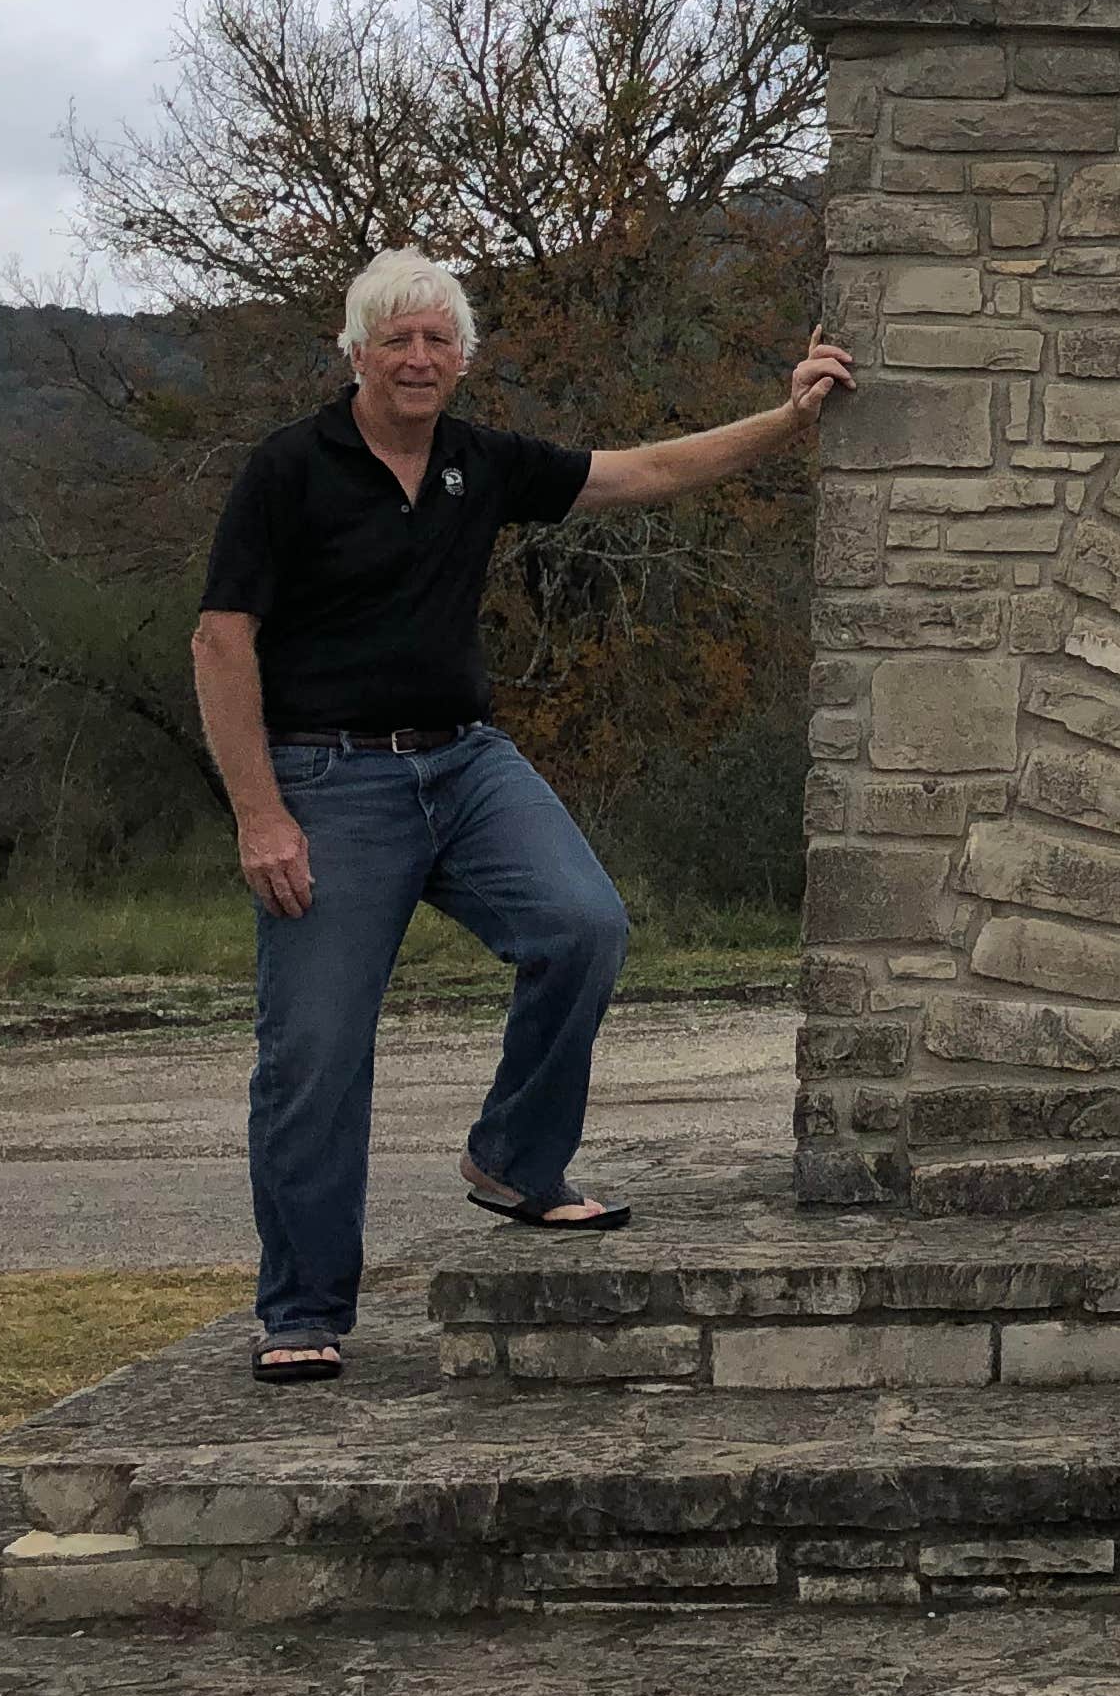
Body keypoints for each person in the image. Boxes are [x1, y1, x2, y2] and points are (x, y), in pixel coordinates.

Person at [191, 246, 854, 1385]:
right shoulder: (289, 470)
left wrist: (786, 421)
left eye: (435, 341)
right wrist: (262, 815)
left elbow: (640, 472)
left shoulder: (476, 464)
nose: (416, 358)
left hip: (465, 766)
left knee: (582, 925)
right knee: (315, 1052)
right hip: (329, 779)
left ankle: (516, 1163)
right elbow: (221, 642)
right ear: (355, 354)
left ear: (460, 360)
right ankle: (302, 1309)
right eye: (394, 339)